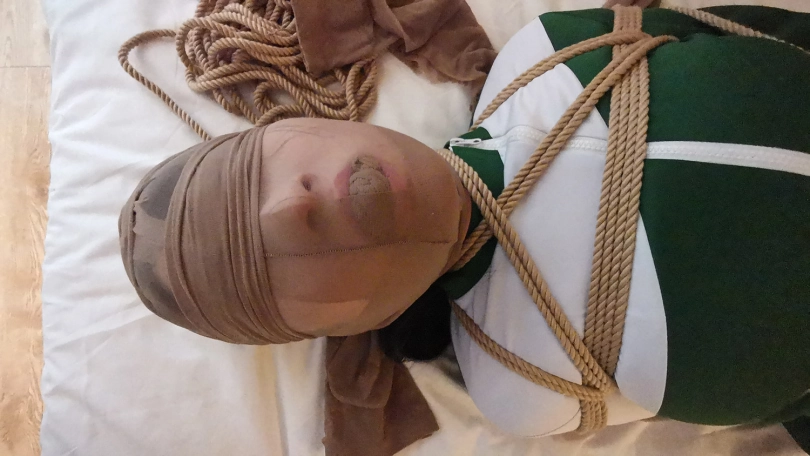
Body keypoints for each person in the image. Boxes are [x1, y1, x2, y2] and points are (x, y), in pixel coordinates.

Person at [119, 4, 810, 453]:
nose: (288, 210)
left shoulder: (550, 52)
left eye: (257, 172)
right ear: (348, 329)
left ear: (302, 120)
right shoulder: (525, 386)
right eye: (264, 271)